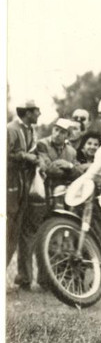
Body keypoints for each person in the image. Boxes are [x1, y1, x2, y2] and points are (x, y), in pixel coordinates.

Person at [7, 100, 41, 289]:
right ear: (28, 112)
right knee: (8, 233)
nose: (39, 114)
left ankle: (24, 278)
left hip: (24, 187)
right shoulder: (11, 129)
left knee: (19, 233)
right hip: (11, 186)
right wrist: (24, 156)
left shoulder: (31, 131)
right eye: (37, 111)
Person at [38, 118, 81, 197]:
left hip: (63, 193)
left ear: (67, 136)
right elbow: (49, 169)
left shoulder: (72, 151)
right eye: (56, 130)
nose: (57, 134)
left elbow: (79, 173)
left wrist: (69, 165)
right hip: (43, 190)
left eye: (62, 132)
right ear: (52, 130)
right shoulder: (42, 144)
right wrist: (70, 171)